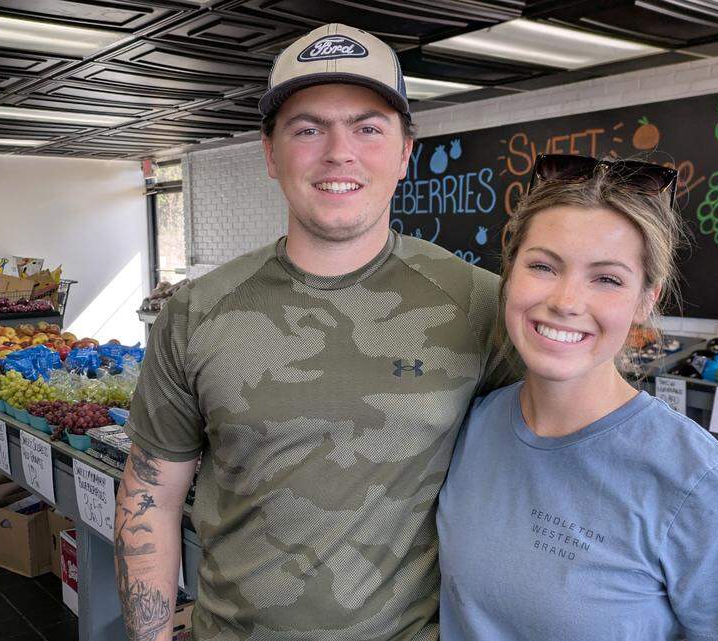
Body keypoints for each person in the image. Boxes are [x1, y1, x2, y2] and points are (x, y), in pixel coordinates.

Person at [115, 22, 521, 641]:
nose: (339, 151)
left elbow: (556, 453)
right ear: (271, 154)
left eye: (368, 127)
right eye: (308, 129)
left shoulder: (482, 305)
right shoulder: (198, 311)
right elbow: (152, 496)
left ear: (406, 153)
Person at [437, 154, 718, 641]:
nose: (565, 301)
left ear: (647, 299)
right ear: (509, 272)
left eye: (606, 278)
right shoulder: (469, 427)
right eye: (542, 266)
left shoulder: (706, 492)